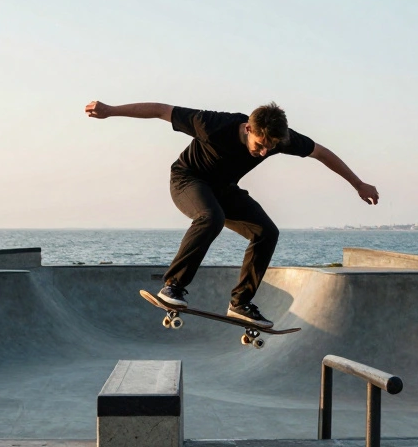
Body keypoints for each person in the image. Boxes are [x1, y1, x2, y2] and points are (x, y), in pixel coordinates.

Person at [85, 100, 379, 328]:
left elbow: (321, 153)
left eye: (271, 148)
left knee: (266, 232)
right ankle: (173, 286)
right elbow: (162, 110)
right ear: (248, 128)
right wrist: (111, 110)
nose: (264, 152)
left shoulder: (279, 139)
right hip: (188, 180)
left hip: (224, 189)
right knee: (210, 217)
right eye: (260, 145)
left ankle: (240, 303)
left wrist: (358, 184)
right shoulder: (211, 124)